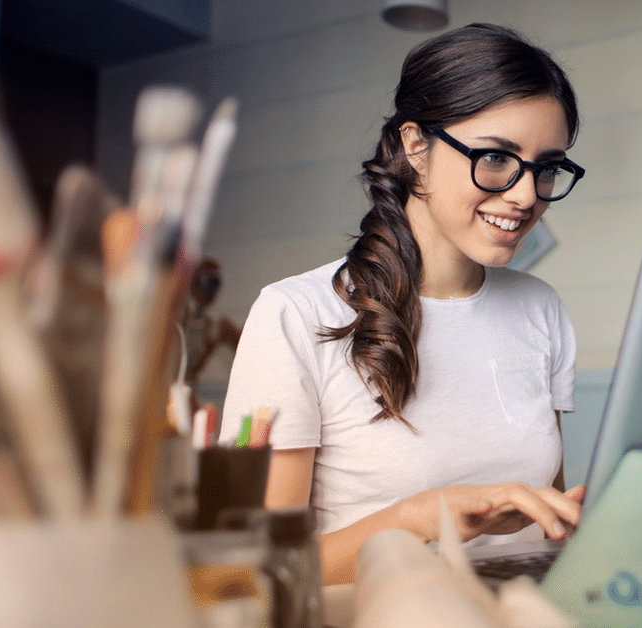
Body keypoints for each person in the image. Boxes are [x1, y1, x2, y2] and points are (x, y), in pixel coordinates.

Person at [220, 23, 588, 585]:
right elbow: (260, 569)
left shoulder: (540, 308)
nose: (526, 195)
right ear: (416, 146)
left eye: (547, 168)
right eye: (495, 158)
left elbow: (550, 517)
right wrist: (421, 518)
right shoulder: (294, 314)